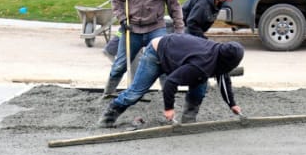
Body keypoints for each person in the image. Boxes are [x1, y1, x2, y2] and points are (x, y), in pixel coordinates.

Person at [97, 34, 244, 128]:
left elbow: (224, 79)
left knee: (200, 85)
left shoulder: (218, 56)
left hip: (176, 55)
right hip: (156, 53)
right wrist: (169, 109)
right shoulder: (202, 63)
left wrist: (232, 104)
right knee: (136, 92)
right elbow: (170, 83)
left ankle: (188, 120)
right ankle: (108, 118)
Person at [102, 0, 185, 97]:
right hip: (132, 28)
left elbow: (174, 5)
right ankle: (108, 93)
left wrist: (180, 31)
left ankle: (168, 95)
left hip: (156, 27)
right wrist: (122, 18)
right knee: (120, 64)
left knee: (163, 61)